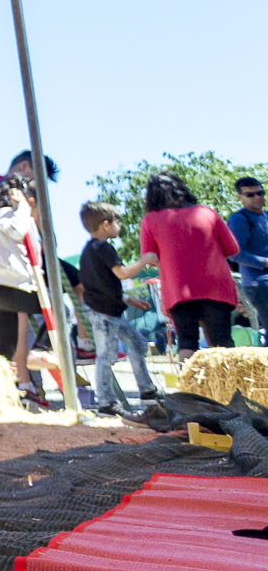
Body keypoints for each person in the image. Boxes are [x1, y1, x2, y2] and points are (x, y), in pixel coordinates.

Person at [138, 171, 242, 358]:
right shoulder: (206, 212)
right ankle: (232, 387)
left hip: (179, 290)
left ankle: (190, 386)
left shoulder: (150, 221)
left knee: (187, 342)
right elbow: (232, 249)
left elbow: (151, 258)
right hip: (215, 287)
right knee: (222, 341)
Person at [0, 178, 49, 402]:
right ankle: (43, 349)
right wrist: (23, 206)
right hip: (18, 286)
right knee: (61, 309)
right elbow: (17, 230)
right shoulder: (13, 214)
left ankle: (9, 390)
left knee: (5, 346)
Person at [77, 200, 156, 417]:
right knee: (106, 355)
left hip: (107, 311)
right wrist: (144, 261)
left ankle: (147, 390)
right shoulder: (103, 248)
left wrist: (129, 300)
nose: (118, 226)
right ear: (105, 225)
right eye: (116, 222)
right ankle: (106, 402)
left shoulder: (88, 251)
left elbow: (101, 284)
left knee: (138, 343)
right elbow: (121, 273)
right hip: (104, 314)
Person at [228, 175, 268, 332]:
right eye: (250, 195)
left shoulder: (265, 216)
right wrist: (264, 262)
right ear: (240, 197)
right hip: (259, 284)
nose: (257, 197)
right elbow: (234, 253)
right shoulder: (239, 219)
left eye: (260, 193)